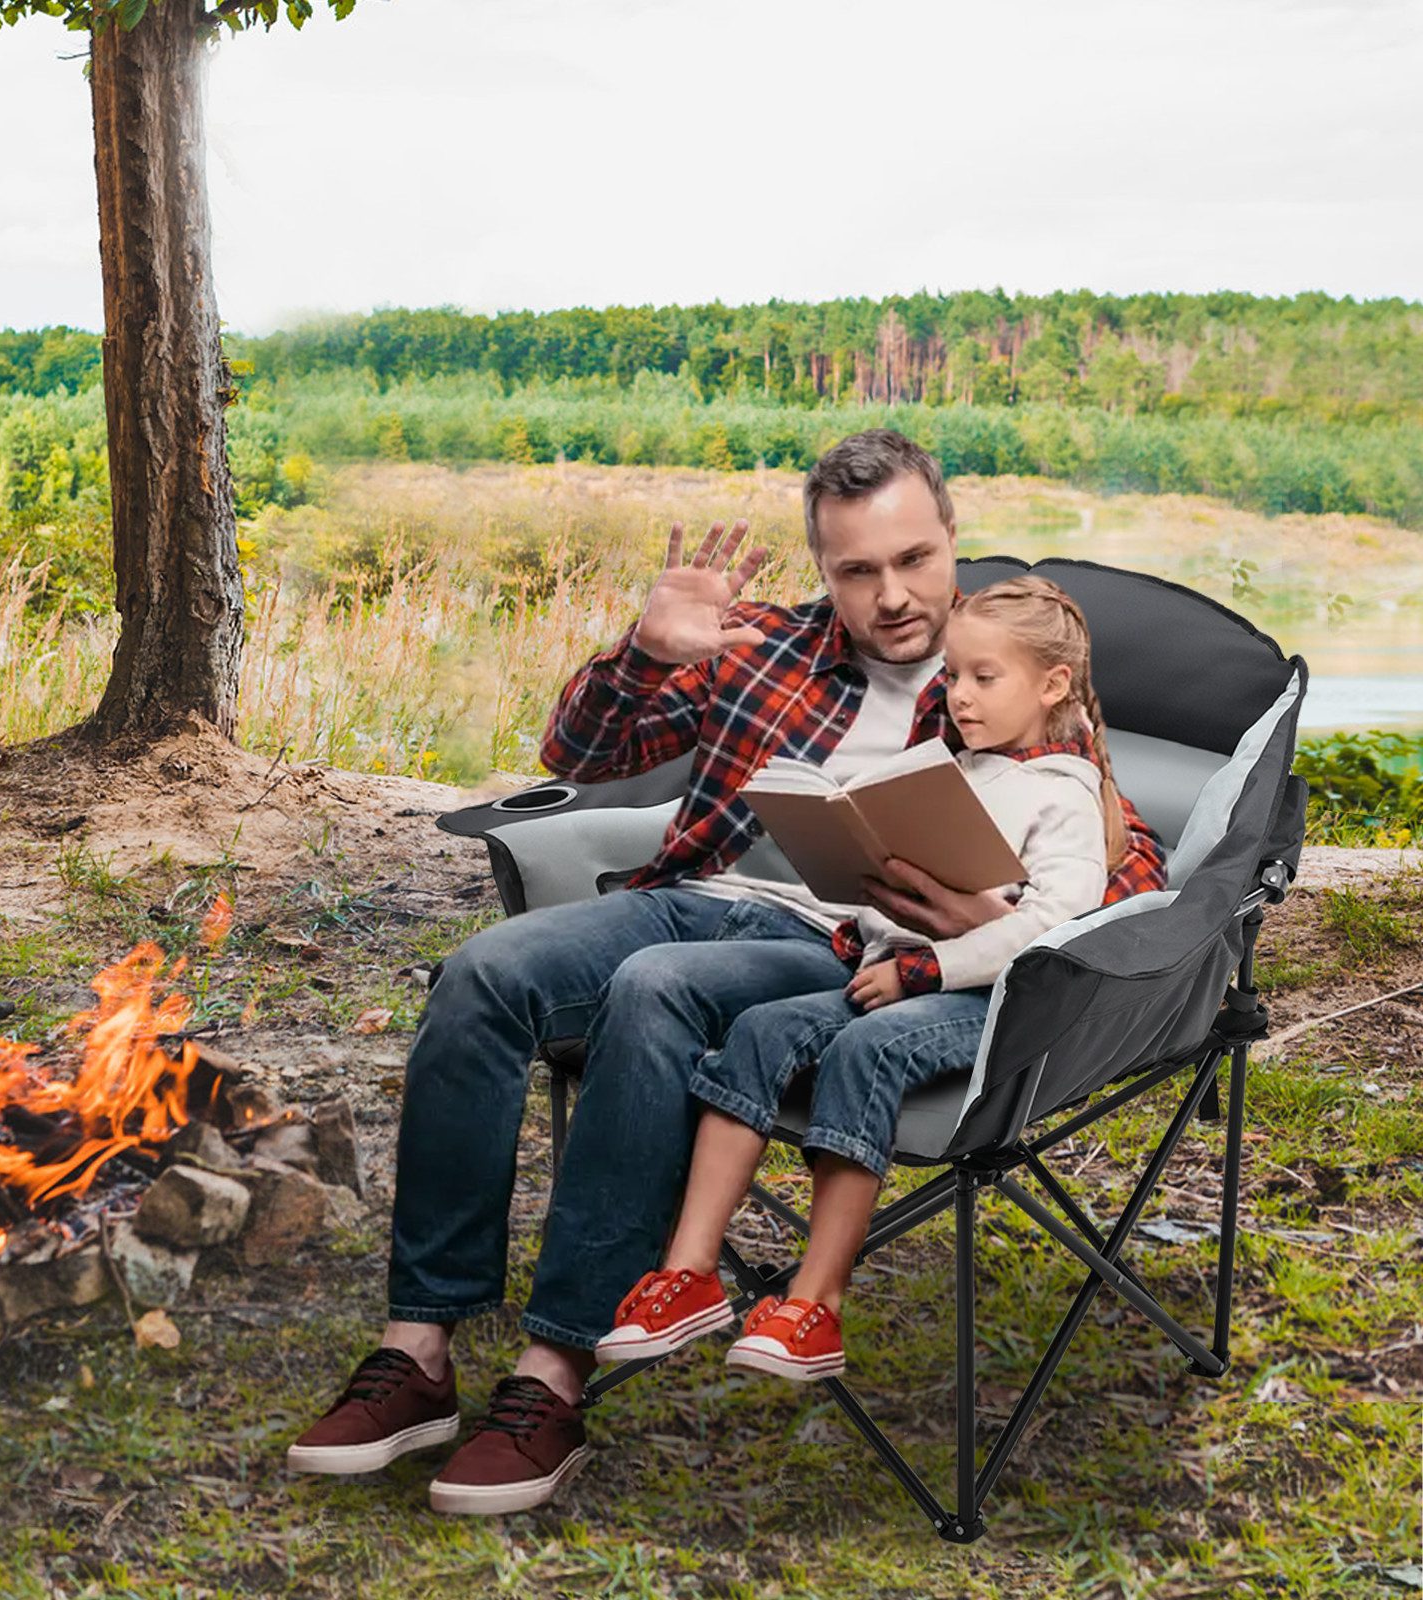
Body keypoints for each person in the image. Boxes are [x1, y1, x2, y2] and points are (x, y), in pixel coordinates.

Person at [285, 430, 1168, 1517]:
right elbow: (578, 753)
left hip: (832, 949)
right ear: (823, 569)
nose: (892, 595)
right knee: (480, 973)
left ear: (951, 540)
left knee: (657, 989)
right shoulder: (761, 647)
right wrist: (646, 654)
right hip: (692, 894)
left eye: (914, 560)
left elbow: (1122, 865)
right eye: (856, 571)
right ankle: (416, 1351)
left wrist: (977, 923)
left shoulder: (1002, 671)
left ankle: (552, 1374)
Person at [594, 576, 1127, 1379]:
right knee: (759, 1030)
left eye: (986, 678)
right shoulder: (955, 771)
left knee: (867, 1050)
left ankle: (817, 1304)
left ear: (1052, 685)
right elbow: (918, 893)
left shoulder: (1064, 797)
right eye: (952, 676)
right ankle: (690, 1272)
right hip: (897, 969)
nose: (961, 697)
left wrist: (928, 967)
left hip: (993, 1003)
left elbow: (1055, 927)